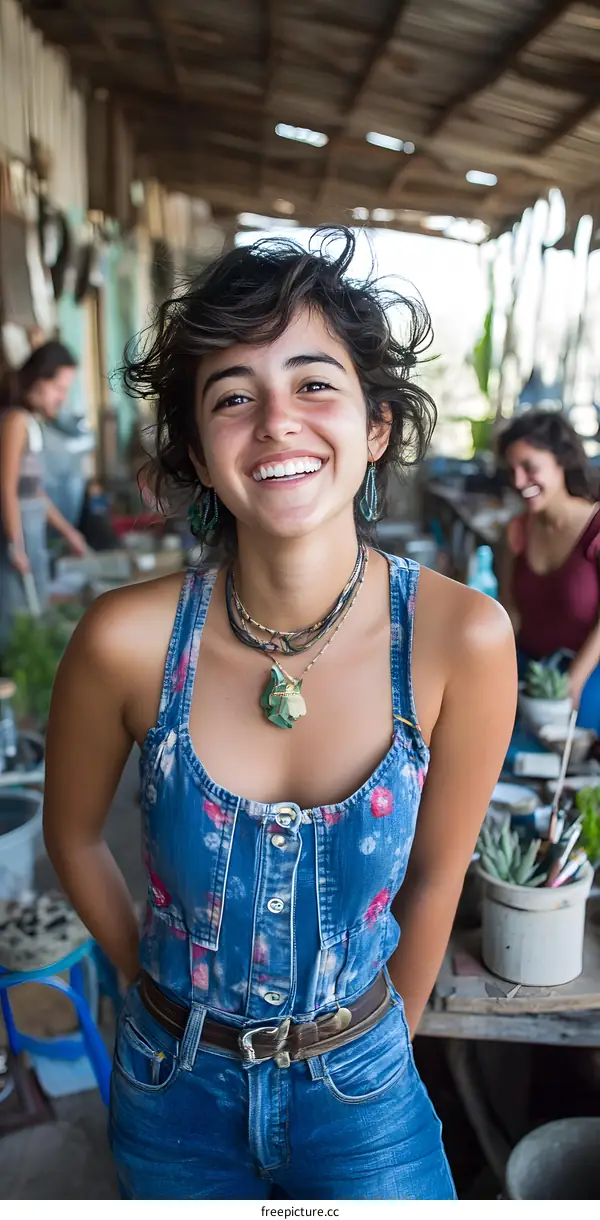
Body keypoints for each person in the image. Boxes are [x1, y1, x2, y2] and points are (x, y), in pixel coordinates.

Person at [43, 230, 516, 1201]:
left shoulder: (459, 638)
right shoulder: (126, 640)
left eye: (313, 384)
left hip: (364, 1088)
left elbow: (436, 878)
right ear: (199, 449)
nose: (275, 423)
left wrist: (381, 1045)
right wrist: (157, 993)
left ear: (376, 424)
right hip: (170, 1088)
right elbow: (73, 835)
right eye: (233, 397)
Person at [498, 409, 600, 732]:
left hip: (588, 675)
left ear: (562, 461)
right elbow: (510, 611)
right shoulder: (518, 530)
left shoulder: (595, 528)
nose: (518, 481)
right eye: (512, 470)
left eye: (529, 468)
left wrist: (574, 682)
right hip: (529, 672)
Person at [0, 341, 88, 651]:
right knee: (17, 632)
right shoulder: (15, 422)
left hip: (32, 543)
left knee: (35, 622)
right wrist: (16, 546)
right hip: (17, 546)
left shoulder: (32, 424)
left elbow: (34, 493)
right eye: (59, 387)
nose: (62, 398)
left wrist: (69, 532)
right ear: (38, 379)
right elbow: (7, 489)